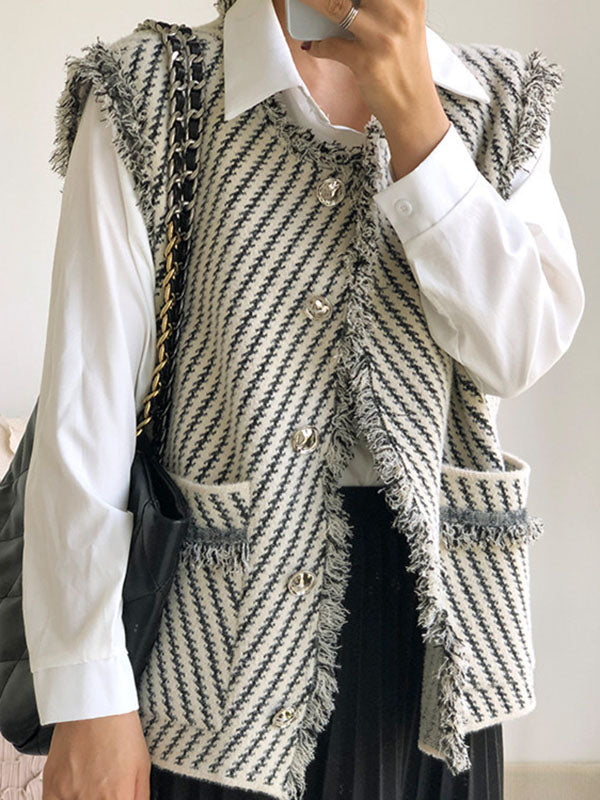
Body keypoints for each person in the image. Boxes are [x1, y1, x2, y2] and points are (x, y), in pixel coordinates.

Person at [22, 0, 584, 799]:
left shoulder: (495, 100)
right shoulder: (153, 92)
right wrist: (90, 699)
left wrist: (420, 128)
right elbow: (86, 412)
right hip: (219, 657)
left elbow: (517, 351)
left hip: (440, 657)